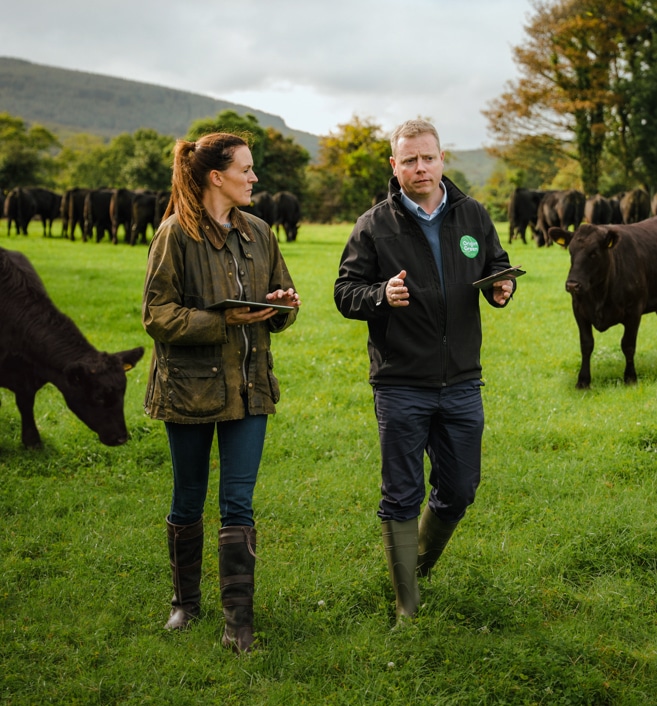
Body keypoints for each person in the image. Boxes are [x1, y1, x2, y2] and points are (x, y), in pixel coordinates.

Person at [334, 119, 516, 624]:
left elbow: (496, 266)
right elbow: (345, 292)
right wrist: (380, 296)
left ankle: (417, 565)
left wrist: (502, 289)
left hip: (461, 378)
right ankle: (406, 605)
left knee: (459, 488)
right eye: (409, 160)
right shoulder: (374, 225)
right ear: (395, 166)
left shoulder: (473, 215)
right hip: (400, 382)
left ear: (443, 160)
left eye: (428, 158)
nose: (420, 167)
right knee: (402, 492)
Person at [142, 132, 301, 652]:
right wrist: (220, 319)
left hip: (250, 387)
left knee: (238, 502)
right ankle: (184, 605)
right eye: (247, 169)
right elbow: (157, 315)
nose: (254, 178)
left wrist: (281, 304)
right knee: (188, 498)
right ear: (217, 176)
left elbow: (284, 301)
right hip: (187, 392)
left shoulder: (260, 232)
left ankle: (239, 624)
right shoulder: (174, 235)